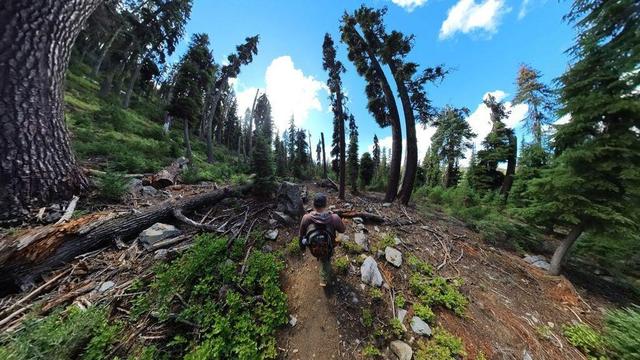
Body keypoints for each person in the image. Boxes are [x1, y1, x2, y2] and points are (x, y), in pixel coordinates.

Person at [299, 193, 346, 286]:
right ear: (326, 204)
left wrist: (302, 248)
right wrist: (342, 223)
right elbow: (342, 230)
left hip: (313, 247)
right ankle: (323, 280)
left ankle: (319, 256)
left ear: (313, 204)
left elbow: (301, 235)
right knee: (326, 259)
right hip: (329, 246)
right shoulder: (334, 218)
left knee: (321, 254)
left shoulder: (306, 218)